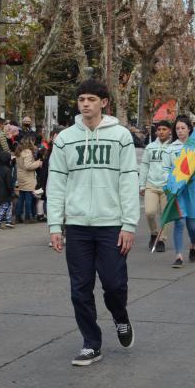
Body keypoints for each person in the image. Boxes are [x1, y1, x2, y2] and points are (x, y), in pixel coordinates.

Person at [47, 79, 138, 366]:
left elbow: (128, 180)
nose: (85, 104)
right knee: (80, 287)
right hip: (77, 225)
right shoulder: (65, 139)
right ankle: (91, 343)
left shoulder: (121, 136)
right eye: (81, 99)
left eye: (91, 99)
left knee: (113, 285)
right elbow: (56, 183)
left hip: (111, 223)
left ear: (104, 102)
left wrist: (129, 224)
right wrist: (54, 225)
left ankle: (120, 316)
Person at [163, 116, 195, 268]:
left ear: (189, 129)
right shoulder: (171, 148)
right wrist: (170, 185)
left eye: (183, 128)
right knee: (179, 222)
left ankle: (193, 244)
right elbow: (165, 169)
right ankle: (178, 255)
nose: (180, 131)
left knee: (191, 225)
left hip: (192, 191)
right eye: (177, 128)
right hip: (177, 191)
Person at [139, 120, 172, 251]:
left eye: (164, 129)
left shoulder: (174, 147)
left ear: (170, 130)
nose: (161, 132)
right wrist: (142, 184)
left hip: (167, 186)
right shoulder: (150, 147)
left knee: (166, 215)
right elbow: (144, 165)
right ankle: (154, 233)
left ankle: (162, 240)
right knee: (149, 212)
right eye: (159, 130)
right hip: (151, 185)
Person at [14, 135, 42, 224]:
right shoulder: (27, 152)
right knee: (29, 198)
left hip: (21, 177)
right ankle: (28, 217)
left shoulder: (19, 151)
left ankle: (18, 216)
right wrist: (38, 163)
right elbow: (28, 166)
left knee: (21, 197)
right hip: (28, 177)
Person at [0, 151, 15, 230]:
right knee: (4, 206)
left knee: (9, 204)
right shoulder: (7, 170)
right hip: (5, 191)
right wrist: (12, 190)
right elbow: (9, 183)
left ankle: (8, 221)